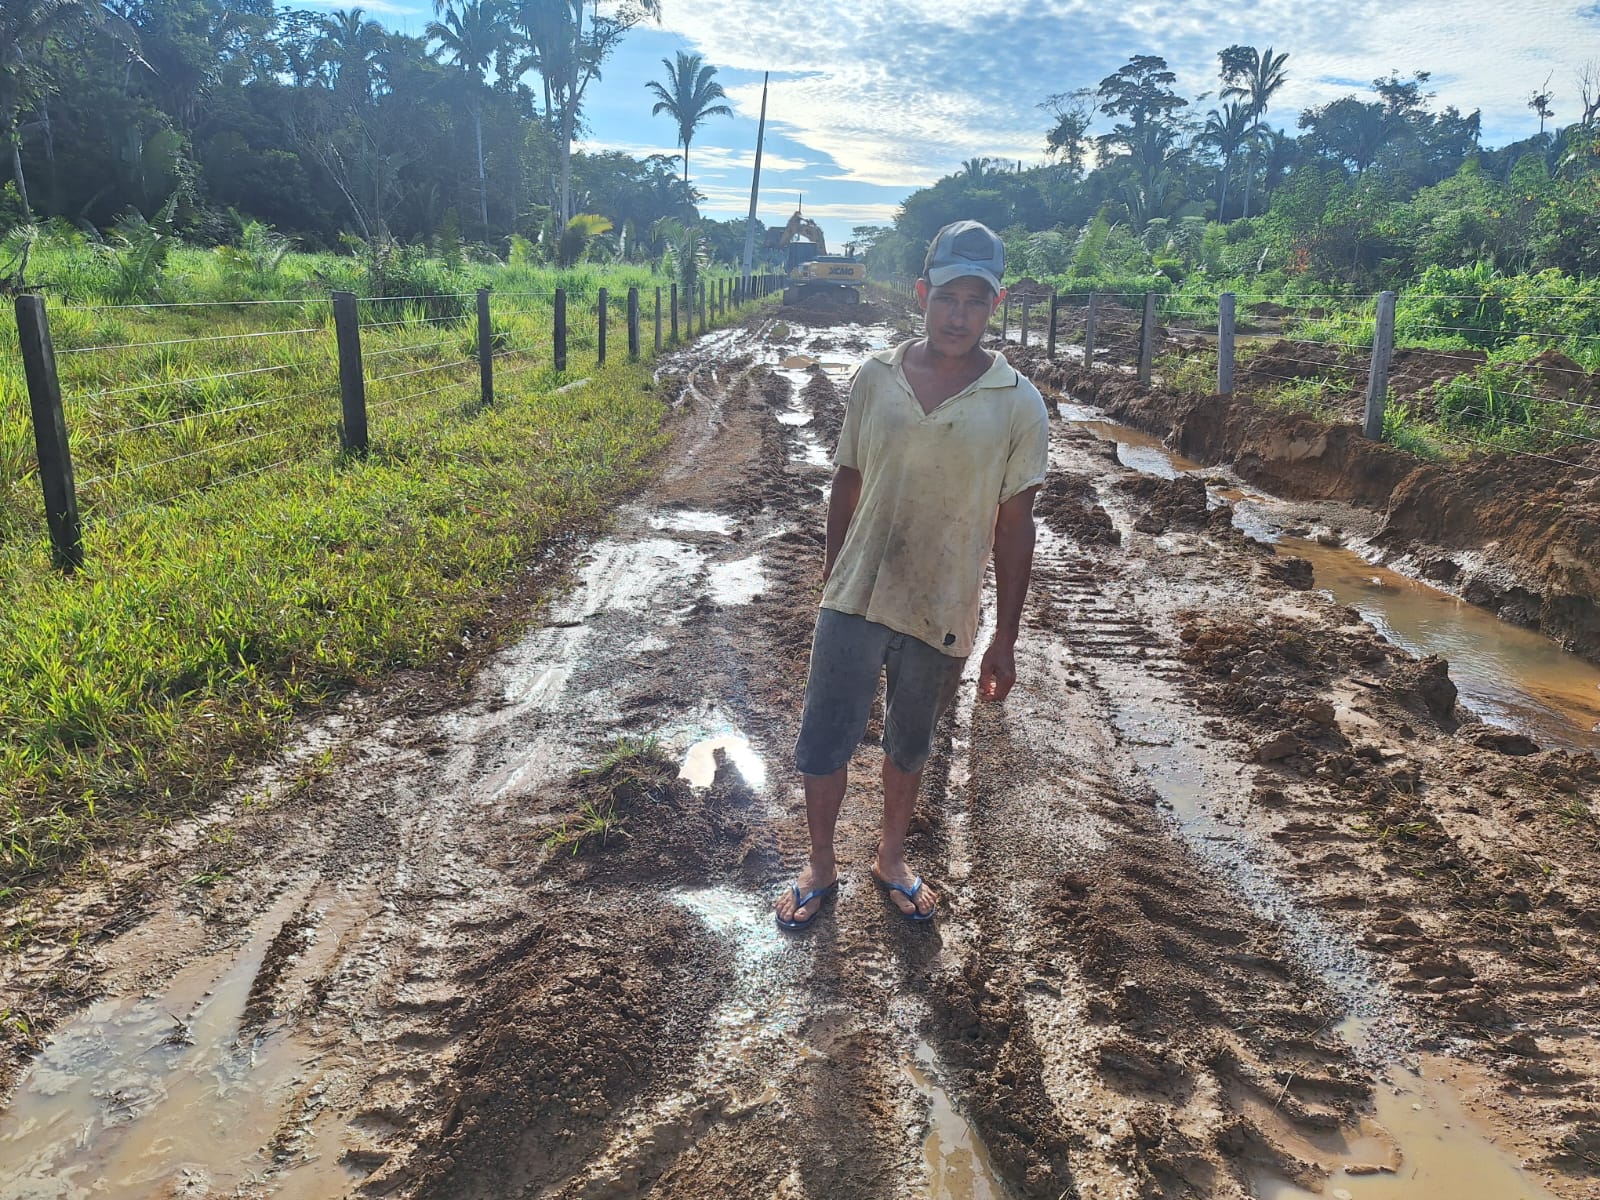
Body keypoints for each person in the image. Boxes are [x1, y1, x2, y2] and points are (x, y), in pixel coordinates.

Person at [775, 219, 1050, 930]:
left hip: (942, 602)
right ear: (921, 295)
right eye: (946, 298)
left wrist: (1006, 639)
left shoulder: (1018, 402)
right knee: (825, 738)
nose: (959, 315)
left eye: (975, 301)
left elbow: (1016, 526)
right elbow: (848, 480)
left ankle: (891, 858)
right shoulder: (876, 378)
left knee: (910, 742)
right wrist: (833, 578)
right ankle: (821, 863)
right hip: (856, 596)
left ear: (996, 305)